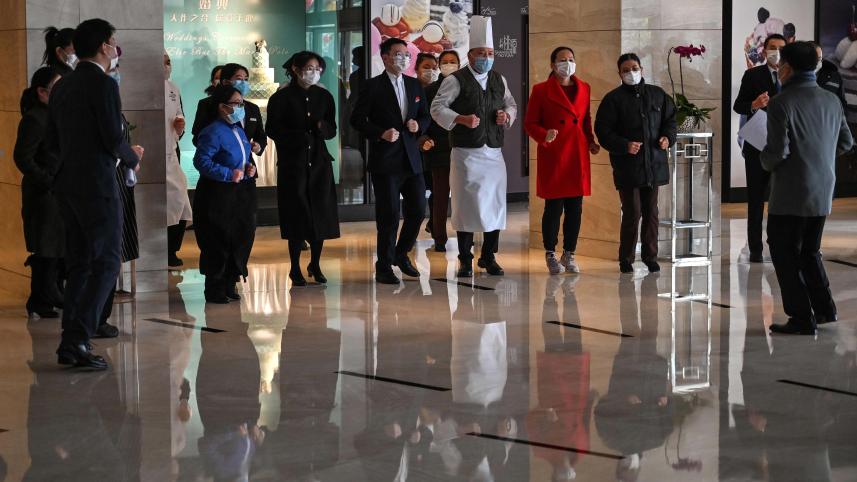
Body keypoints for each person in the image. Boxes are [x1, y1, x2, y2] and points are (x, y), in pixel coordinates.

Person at [46, 18, 142, 370]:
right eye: (113, 43)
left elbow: (52, 142)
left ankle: (72, 339)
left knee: (81, 264)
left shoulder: (62, 86)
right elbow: (111, 137)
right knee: (105, 262)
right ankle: (78, 339)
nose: (115, 49)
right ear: (104, 45)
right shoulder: (102, 85)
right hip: (97, 186)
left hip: (68, 186)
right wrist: (133, 156)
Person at [760, 41, 854, 335]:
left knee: (784, 253)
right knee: (810, 251)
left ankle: (801, 317)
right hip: (823, 188)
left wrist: (764, 160)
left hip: (790, 193)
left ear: (786, 67)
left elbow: (776, 153)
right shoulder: (831, 100)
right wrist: (819, 157)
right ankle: (825, 309)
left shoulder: (781, 103)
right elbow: (846, 143)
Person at [430, 15, 518, 278]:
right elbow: (437, 108)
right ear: (470, 55)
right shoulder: (455, 80)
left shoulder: (498, 80)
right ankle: (466, 258)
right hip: (466, 154)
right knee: (467, 206)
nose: (487, 58)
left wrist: (507, 116)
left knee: (494, 206)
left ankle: (488, 257)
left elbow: (510, 104)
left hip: (493, 153)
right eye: (482, 53)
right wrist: (459, 118)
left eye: (490, 53)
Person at [351, 37, 431, 285]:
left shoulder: (414, 85)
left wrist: (419, 125)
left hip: (412, 159)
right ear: (385, 57)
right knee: (389, 215)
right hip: (386, 161)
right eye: (398, 54)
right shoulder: (371, 86)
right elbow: (357, 120)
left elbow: (426, 116)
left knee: (418, 210)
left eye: (406, 54)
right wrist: (380, 133)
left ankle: (401, 252)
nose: (404, 58)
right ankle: (384, 265)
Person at [594, 53, 676, 274]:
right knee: (632, 211)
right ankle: (626, 258)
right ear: (619, 73)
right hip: (628, 167)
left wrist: (668, 138)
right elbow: (603, 131)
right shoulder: (613, 99)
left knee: (651, 211)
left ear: (642, 69)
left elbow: (671, 121)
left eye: (635, 67)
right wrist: (624, 145)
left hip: (654, 165)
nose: (631, 72)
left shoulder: (658, 95)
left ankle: (650, 256)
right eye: (626, 69)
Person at [266, 51, 340, 286]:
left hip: (319, 162)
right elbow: (272, 130)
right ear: (296, 70)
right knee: (296, 215)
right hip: (293, 163)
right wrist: (296, 137)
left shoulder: (325, 96)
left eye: (317, 68)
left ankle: (315, 264)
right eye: (309, 68)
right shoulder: (281, 98)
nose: (313, 72)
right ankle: (294, 266)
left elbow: (332, 129)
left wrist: (321, 127)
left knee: (320, 214)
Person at [525, 46, 599, 275]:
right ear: (552, 65)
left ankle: (569, 253)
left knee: (575, 208)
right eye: (562, 60)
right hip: (555, 153)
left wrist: (591, 141)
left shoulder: (584, 87)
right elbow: (530, 123)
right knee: (553, 208)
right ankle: (550, 253)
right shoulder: (540, 90)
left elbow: (585, 120)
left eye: (570, 59)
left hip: (577, 154)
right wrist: (544, 135)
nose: (567, 63)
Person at [193, 85, 258, 304]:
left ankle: (231, 281)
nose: (240, 108)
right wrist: (228, 174)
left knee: (239, 236)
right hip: (217, 193)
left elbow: (244, 158)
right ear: (222, 107)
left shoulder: (238, 129)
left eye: (242, 104)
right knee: (217, 240)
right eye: (236, 104)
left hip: (240, 194)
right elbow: (201, 161)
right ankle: (215, 287)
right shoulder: (212, 131)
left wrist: (250, 169)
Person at [14, 67, 64, 318]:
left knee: (54, 248)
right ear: (42, 92)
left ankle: (41, 300)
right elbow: (23, 158)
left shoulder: (55, 116)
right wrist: (47, 180)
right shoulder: (35, 118)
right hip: (43, 194)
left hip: (57, 192)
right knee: (47, 248)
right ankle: (45, 297)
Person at [733, 33, 787, 263]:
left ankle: (778, 244)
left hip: (784, 147)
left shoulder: (792, 77)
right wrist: (754, 105)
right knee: (756, 199)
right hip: (757, 145)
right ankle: (755, 248)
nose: (776, 52)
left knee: (781, 198)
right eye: (772, 47)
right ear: (764, 51)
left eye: (780, 48)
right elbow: (739, 105)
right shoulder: (753, 75)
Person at [421, 50, 459, 252]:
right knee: (440, 195)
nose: (449, 65)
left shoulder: (465, 87)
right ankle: (439, 237)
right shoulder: (430, 90)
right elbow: (424, 119)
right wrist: (425, 138)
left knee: (463, 196)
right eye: (445, 62)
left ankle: (464, 238)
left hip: (463, 148)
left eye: (453, 62)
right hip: (438, 149)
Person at [191, 62, 267, 158]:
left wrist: (258, 146)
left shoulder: (253, 108)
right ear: (225, 82)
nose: (244, 82)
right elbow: (198, 137)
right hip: (217, 164)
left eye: (246, 79)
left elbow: (260, 135)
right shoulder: (207, 104)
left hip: (246, 165)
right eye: (239, 79)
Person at [164, 51, 193, 267]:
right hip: (154, 154)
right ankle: (163, 249)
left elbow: (179, 115)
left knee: (182, 202)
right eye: (163, 62)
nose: (167, 66)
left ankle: (172, 249)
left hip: (172, 152)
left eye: (169, 62)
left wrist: (180, 128)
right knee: (167, 203)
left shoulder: (174, 88)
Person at [415, 53, 439, 241]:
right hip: (413, 147)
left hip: (434, 146)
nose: (430, 71)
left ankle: (434, 223)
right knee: (416, 191)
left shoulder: (440, 91)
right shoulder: (411, 89)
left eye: (434, 67)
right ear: (416, 69)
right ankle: (414, 226)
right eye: (426, 66)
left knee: (435, 189)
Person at [812, 42, 847, 111]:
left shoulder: (834, 76)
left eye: (819, 59)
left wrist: (841, 120)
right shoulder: (794, 77)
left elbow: (842, 104)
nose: (817, 62)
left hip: (831, 119)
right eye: (813, 58)